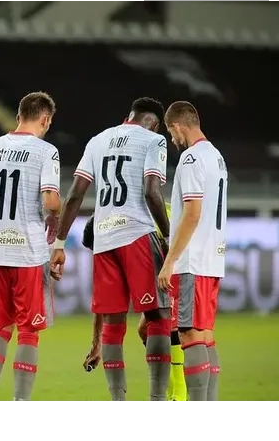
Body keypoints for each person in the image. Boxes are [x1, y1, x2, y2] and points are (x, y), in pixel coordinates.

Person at [51, 97, 171, 401]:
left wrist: (59, 243)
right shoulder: (154, 140)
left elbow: (74, 195)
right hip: (137, 233)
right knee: (158, 316)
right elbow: (152, 192)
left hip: (104, 240)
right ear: (155, 124)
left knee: (113, 322)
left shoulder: (98, 140)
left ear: (129, 115)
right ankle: (157, 400)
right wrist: (169, 237)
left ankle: (118, 401)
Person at [0, 91, 61, 401]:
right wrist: (55, 214)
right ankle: (20, 402)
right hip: (28, 253)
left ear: (19, 117)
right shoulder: (46, 151)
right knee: (28, 331)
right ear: (45, 120)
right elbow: (51, 201)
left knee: (0, 328)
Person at [157, 101, 227, 401]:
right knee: (205, 336)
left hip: (192, 261)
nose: (173, 139)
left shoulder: (191, 158)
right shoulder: (216, 157)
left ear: (177, 126)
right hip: (212, 260)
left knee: (189, 335)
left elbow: (192, 213)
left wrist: (169, 261)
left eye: (171, 133)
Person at [83, 203, 188, 401]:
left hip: (181, 259)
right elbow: (105, 303)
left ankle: (179, 395)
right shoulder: (119, 220)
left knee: (170, 324)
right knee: (145, 329)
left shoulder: (143, 222)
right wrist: (97, 343)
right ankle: (169, 391)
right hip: (166, 260)